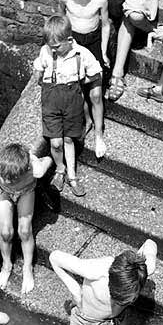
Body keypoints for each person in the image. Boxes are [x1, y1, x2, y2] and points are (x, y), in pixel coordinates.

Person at [33, 14, 103, 197]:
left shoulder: (81, 54)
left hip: (72, 102)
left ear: (69, 40)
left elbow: (96, 73)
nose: (52, 49)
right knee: (55, 143)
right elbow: (38, 71)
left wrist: (81, 81)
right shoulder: (46, 52)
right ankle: (59, 168)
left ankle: (72, 175)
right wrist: (41, 81)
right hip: (51, 102)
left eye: (56, 47)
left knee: (69, 139)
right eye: (50, 46)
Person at [0, 142, 52, 294]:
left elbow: (48, 159)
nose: (8, 180)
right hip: (4, 193)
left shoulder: (33, 167)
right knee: (6, 232)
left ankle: (28, 268)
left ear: (25, 170)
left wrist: (46, 166)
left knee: (25, 230)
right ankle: (6, 266)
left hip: (26, 191)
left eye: (12, 179)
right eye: (5, 177)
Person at [59, 0, 110, 159]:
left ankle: (99, 134)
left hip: (94, 42)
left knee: (96, 93)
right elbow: (61, 23)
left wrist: (104, 51)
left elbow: (105, 25)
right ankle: (87, 120)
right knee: (79, 90)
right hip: (75, 43)